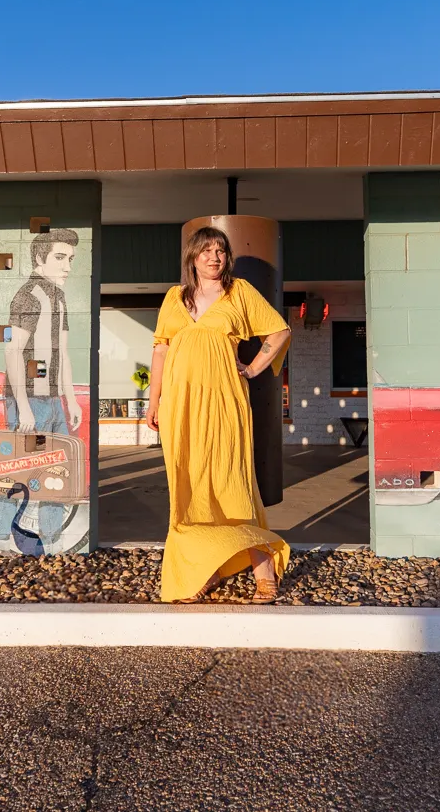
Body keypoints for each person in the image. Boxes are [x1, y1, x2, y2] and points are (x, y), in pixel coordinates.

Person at [146, 226, 292, 603]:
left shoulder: (239, 291)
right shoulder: (174, 297)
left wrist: (254, 368)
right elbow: (161, 348)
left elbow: (278, 332)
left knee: (234, 484)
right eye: (206, 250)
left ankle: (264, 573)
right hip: (181, 405)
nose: (214, 257)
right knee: (190, 488)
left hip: (225, 401)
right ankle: (202, 571)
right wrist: (154, 400)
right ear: (192, 257)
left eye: (221, 251)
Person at [0, 227, 84, 553]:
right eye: (60, 257)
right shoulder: (29, 295)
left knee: (54, 474)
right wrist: (24, 409)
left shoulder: (58, 296)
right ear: (38, 258)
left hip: (52, 399)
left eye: (71, 259)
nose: (68, 267)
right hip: (30, 398)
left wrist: (70, 399)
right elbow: (11, 351)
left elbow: (63, 350)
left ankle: (53, 542)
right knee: (16, 471)